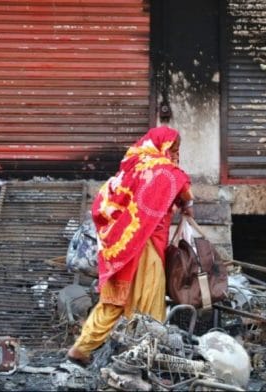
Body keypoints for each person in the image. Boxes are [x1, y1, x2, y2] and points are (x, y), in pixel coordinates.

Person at [67, 103, 193, 365]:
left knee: (114, 300)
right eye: (173, 149)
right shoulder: (162, 169)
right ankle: (147, 355)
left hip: (120, 245)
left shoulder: (130, 167)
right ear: (164, 147)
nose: (175, 154)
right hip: (145, 244)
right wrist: (187, 207)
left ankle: (82, 347)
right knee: (149, 299)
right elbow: (183, 189)